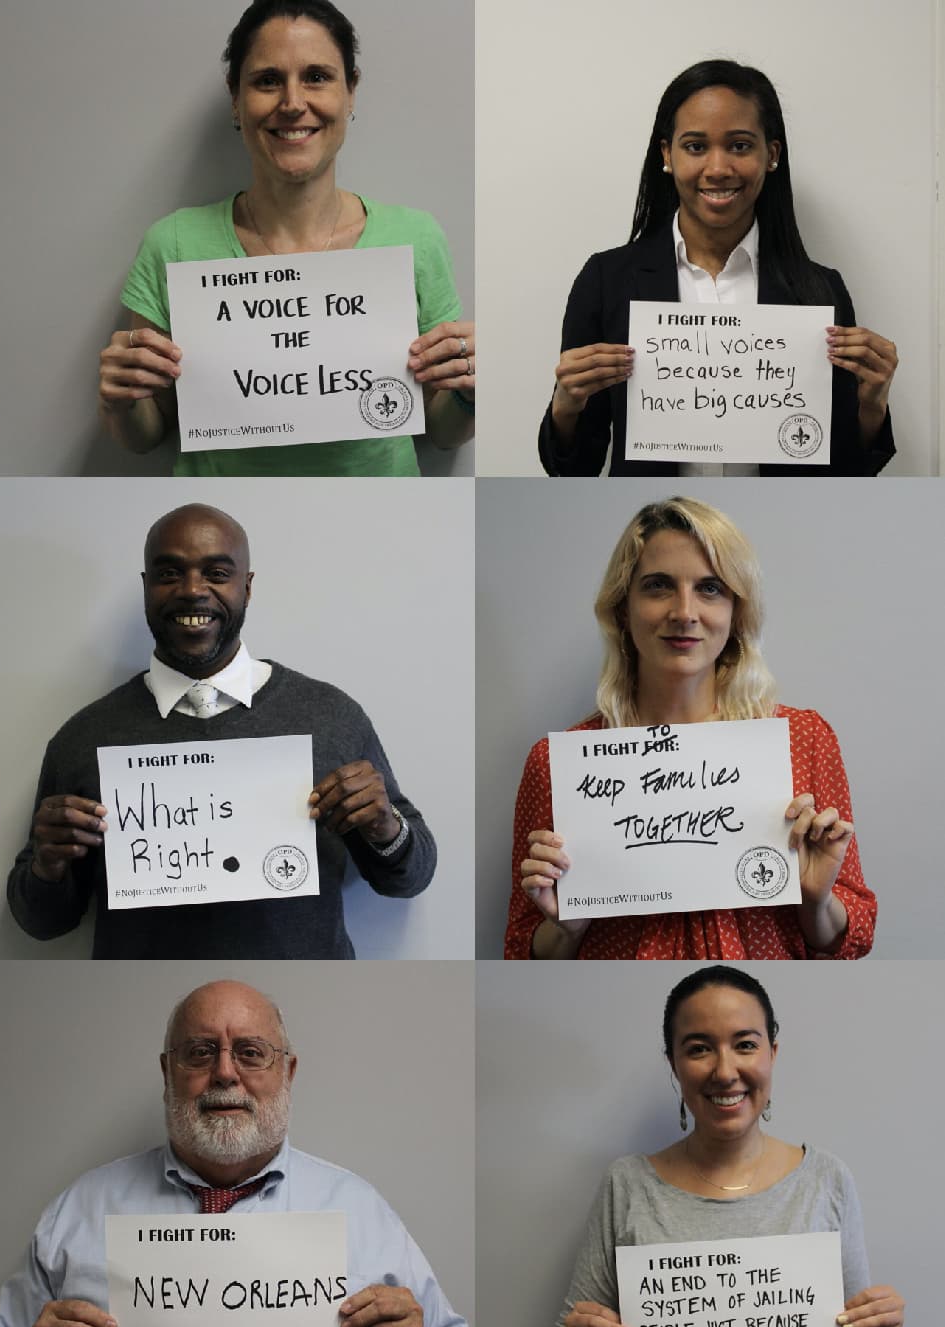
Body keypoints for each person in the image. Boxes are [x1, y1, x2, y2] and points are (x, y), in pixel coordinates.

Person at [0, 980, 475, 1327]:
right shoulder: (80, 1208)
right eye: (200, 1052)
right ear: (167, 1072)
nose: (224, 1072)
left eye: (250, 1053)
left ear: (287, 1071)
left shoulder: (361, 1212)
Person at [8, 502, 433, 958]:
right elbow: (42, 924)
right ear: (146, 587)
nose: (193, 591)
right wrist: (48, 867)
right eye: (170, 573)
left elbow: (409, 877)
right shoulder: (84, 738)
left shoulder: (330, 716)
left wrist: (386, 827)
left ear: (247, 587)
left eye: (216, 573)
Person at [97, 0, 473, 476]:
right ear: (236, 97)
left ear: (350, 92)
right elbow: (148, 436)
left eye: (317, 76)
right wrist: (120, 400)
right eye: (268, 80)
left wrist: (468, 392)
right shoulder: (172, 244)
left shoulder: (415, 238)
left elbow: (441, 433)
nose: (293, 102)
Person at [507, 497, 874, 958]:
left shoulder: (802, 739)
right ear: (622, 608)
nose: (684, 611)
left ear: (738, 610)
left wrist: (817, 900)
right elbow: (521, 951)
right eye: (659, 586)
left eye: (710, 588)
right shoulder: (558, 764)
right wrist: (567, 925)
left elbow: (852, 939)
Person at [546, 967, 903, 1327]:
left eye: (745, 1044)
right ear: (673, 1063)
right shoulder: (627, 1184)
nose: (725, 1070)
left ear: (773, 1053)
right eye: (698, 1048)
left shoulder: (827, 1180)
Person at [539, 61, 897, 477]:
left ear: (772, 155)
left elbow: (844, 475)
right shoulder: (607, 280)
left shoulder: (820, 289)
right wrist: (566, 404)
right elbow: (572, 470)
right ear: (666, 155)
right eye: (695, 146)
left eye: (740, 146)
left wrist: (872, 405)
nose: (718, 168)